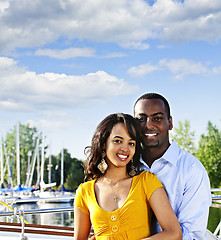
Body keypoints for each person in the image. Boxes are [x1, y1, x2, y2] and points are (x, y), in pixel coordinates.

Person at [74, 113, 182, 240]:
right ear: (103, 144)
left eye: (131, 143)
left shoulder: (146, 181)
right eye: (118, 141)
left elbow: (174, 233)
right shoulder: (85, 191)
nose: (125, 148)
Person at [133, 93, 212, 239]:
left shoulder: (192, 170)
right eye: (141, 119)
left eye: (157, 118)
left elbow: (192, 235)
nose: (148, 125)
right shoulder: (126, 166)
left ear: (170, 123)